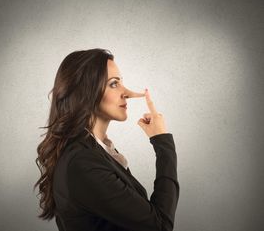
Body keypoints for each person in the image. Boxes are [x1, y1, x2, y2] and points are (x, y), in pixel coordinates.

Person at [34, 48, 180, 231]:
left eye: (121, 82)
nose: (126, 92)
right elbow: (160, 226)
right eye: (113, 84)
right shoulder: (83, 163)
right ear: (86, 93)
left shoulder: (95, 151)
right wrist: (162, 142)